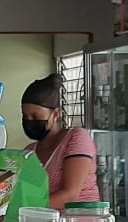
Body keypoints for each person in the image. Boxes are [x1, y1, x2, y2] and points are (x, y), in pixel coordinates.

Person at [20, 73, 100, 207]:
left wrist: (24, 208)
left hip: (79, 219)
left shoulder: (77, 138)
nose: (29, 121)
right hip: (46, 219)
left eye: (35, 116)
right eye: (25, 116)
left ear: (55, 114)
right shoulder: (29, 152)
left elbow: (70, 195)